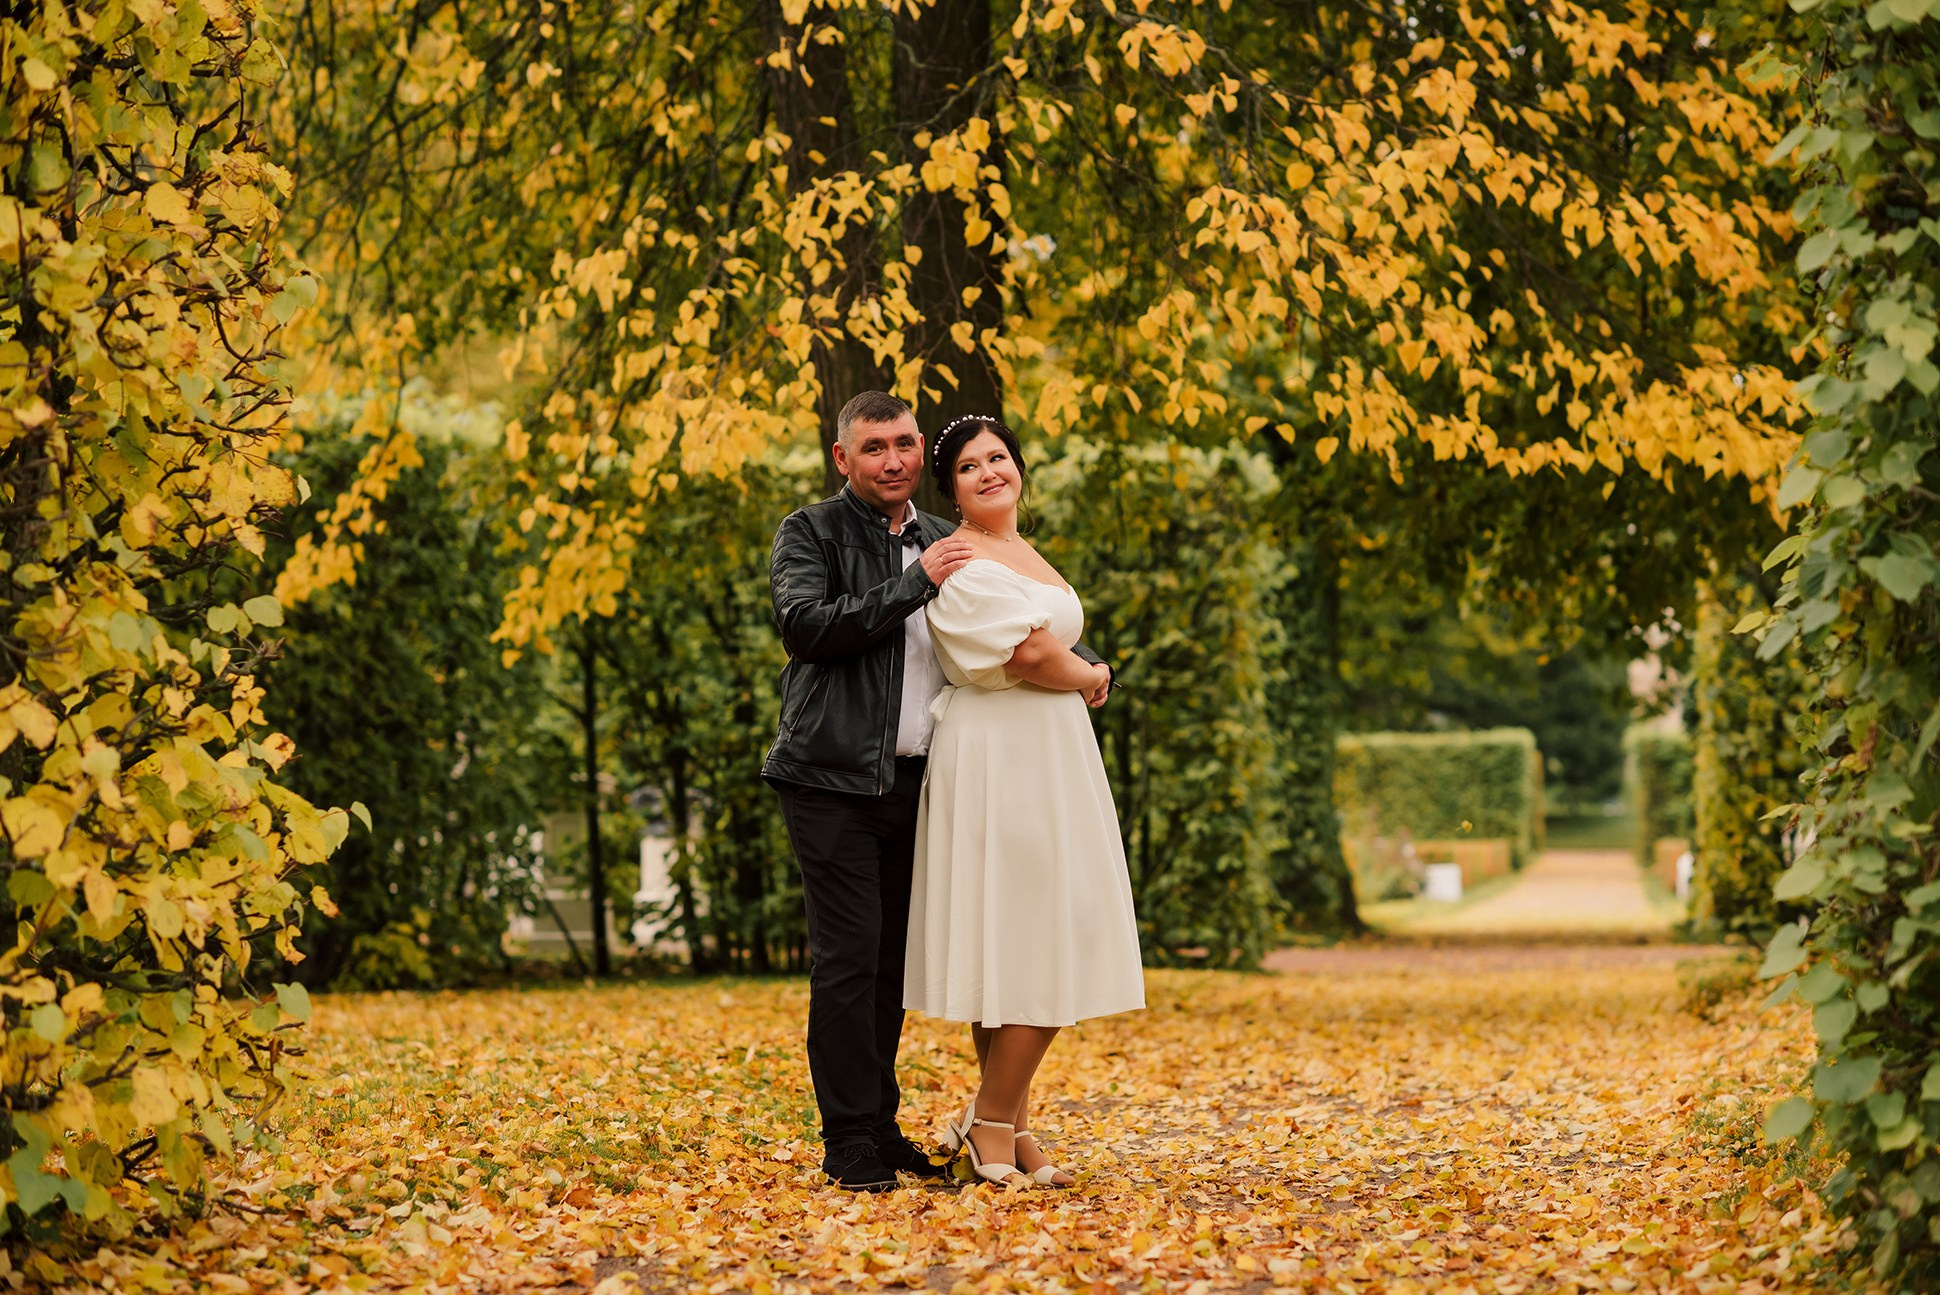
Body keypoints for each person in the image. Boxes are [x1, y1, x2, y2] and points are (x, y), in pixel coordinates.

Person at [764, 392, 1116, 1191]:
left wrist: (1095, 665)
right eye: (874, 446)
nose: (892, 460)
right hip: (831, 774)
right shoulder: (811, 531)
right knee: (850, 960)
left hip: (919, 779)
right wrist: (912, 582)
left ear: (920, 450)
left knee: (889, 961)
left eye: (903, 444)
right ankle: (850, 1136)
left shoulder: (943, 538)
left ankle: (884, 1126)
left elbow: (1025, 618)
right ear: (842, 457)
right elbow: (806, 627)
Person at [904, 415, 1146, 1188]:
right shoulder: (965, 562)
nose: (988, 472)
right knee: (1040, 933)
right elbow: (1031, 652)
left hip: (1045, 750)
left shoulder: (1022, 551)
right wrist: (1092, 675)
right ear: (953, 491)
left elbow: (1048, 645)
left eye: (998, 458)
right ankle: (994, 1120)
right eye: (970, 467)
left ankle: (1006, 1121)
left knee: (1017, 942)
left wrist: (1075, 672)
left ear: (1018, 468)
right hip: (1002, 757)